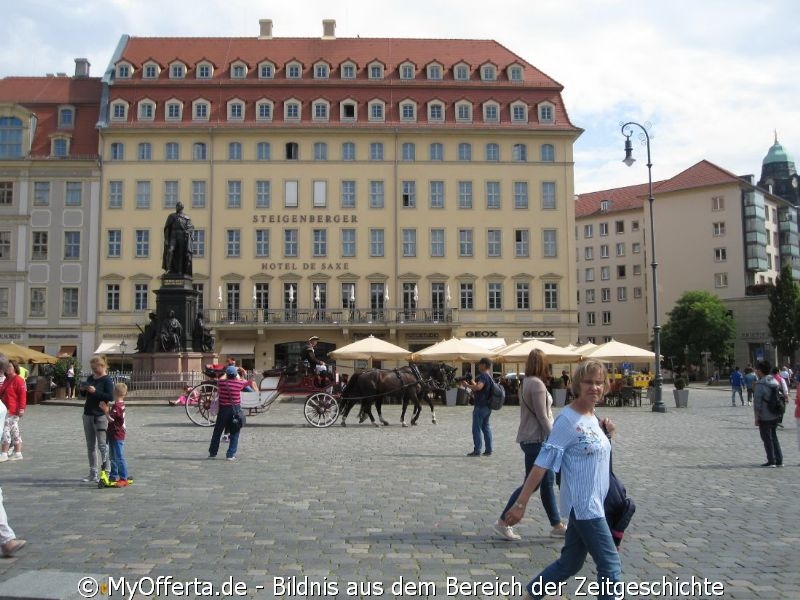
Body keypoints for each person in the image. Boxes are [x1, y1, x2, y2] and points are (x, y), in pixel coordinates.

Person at [504, 360, 620, 600]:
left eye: (599, 382)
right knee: (610, 565)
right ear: (577, 384)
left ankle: (529, 596)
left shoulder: (592, 415)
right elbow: (542, 463)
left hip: (593, 503)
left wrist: (608, 434)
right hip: (586, 506)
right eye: (589, 382)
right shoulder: (567, 420)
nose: (594, 387)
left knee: (570, 563)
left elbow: (595, 454)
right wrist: (520, 503)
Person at [494, 349, 565, 541]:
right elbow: (543, 416)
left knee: (546, 484)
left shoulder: (525, 382)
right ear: (543, 364)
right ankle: (503, 521)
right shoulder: (538, 385)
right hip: (539, 439)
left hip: (529, 438)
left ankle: (556, 525)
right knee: (531, 484)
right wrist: (556, 439)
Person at [81, 356, 114, 484]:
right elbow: (85, 395)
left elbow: (110, 397)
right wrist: (83, 390)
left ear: (102, 366)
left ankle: (106, 472)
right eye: (92, 368)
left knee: (102, 445)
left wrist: (95, 392)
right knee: (90, 446)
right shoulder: (90, 378)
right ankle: (93, 472)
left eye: (96, 368)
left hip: (100, 415)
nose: (94, 371)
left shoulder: (107, 380)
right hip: (87, 414)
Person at [208, 365, 248, 461]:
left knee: (217, 432)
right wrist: (240, 375)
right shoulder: (239, 384)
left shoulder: (221, 383)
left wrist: (226, 373)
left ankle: (213, 453)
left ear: (227, 374)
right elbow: (247, 382)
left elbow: (221, 379)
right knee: (235, 432)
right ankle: (230, 454)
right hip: (235, 410)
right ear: (235, 375)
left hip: (223, 410)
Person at [462, 357, 494, 457]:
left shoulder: (483, 375)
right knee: (486, 427)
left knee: (476, 428)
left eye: (479, 364)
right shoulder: (489, 376)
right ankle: (488, 450)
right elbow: (480, 387)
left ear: (484, 365)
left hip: (480, 406)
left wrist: (467, 385)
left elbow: (478, 387)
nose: (478, 366)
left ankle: (477, 450)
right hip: (487, 407)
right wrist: (471, 380)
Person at [754, 361, 783, 467]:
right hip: (775, 413)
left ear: (760, 371)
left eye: (757, 369)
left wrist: (756, 418)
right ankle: (779, 460)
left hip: (765, 415)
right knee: (774, 436)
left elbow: (757, 403)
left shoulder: (761, 384)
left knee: (766, 438)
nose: (756, 371)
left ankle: (772, 460)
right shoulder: (774, 381)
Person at [102, 383, 131, 487]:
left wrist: (105, 411)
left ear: (115, 392)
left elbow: (111, 419)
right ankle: (113, 475)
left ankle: (123, 477)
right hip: (114, 433)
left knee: (118, 456)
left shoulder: (117, 406)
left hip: (117, 434)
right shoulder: (120, 405)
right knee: (113, 456)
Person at [0, 358, 26, 462]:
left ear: (15, 368)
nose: (7, 368)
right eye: (6, 367)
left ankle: (4, 453)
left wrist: (22, 408)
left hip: (13, 410)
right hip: (6, 409)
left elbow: (22, 395)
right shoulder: (7, 379)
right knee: (15, 431)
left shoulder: (18, 380)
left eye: (10, 366)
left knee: (5, 430)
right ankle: (18, 453)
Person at [162, 201, 194, 276]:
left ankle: (180, 271)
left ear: (181, 207)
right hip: (173, 235)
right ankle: (168, 269)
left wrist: (187, 231)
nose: (176, 207)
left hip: (181, 236)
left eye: (178, 206)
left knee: (181, 254)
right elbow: (167, 228)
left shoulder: (186, 217)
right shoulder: (171, 216)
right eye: (176, 206)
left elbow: (190, 227)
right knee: (170, 251)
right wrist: (166, 239)